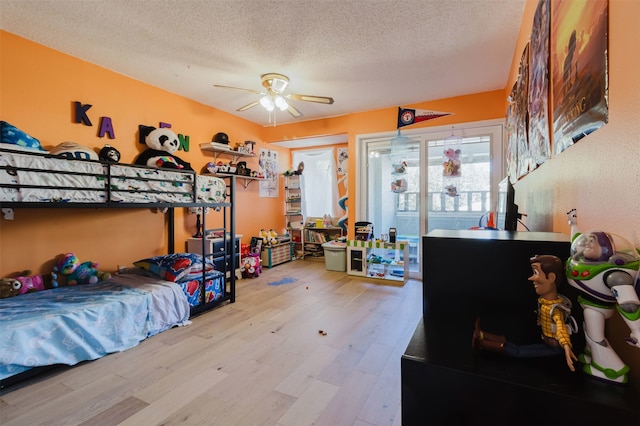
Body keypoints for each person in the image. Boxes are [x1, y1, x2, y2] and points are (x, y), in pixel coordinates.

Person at [472, 254, 578, 371]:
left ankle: (482, 343)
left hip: (555, 348)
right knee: (513, 344)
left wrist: (567, 348)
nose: (531, 278)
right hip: (546, 342)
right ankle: (481, 334)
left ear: (551, 277)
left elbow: (561, 329)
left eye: (536, 273)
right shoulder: (544, 303)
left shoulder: (556, 309)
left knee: (518, 351)